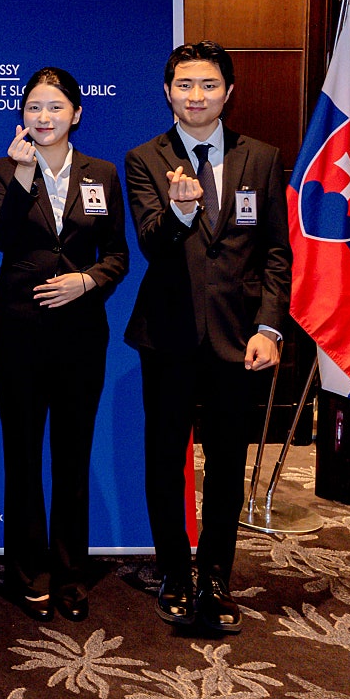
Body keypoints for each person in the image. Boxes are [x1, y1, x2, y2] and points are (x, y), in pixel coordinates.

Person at [124, 41, 290, 636]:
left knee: (226, 463)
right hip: (167, 335)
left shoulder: (262, 158)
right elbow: (151, 242)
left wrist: (269, 326)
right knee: (165, 460)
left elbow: (276, 252)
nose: (196, 96)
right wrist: (179, 212)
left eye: (209, 85)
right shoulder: (145, 158)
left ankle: (216, 576)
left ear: (229, 92)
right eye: (185, 85)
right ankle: (174, 571)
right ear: (168, 92)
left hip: (239, 339)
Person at [0, 67, 128, 623]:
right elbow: (3, 237)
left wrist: (87, 281)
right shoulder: (2, 168)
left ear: (76, 114)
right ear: (22, 114)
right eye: (34, 108)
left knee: (72, 456)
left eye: (55, 107)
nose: (43, 118)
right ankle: (25, 573)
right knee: (21, 455)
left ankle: (70, 575)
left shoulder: (102, 173)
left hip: (81, 335)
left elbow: (118, 254)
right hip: (19, 329)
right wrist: (24, 175)